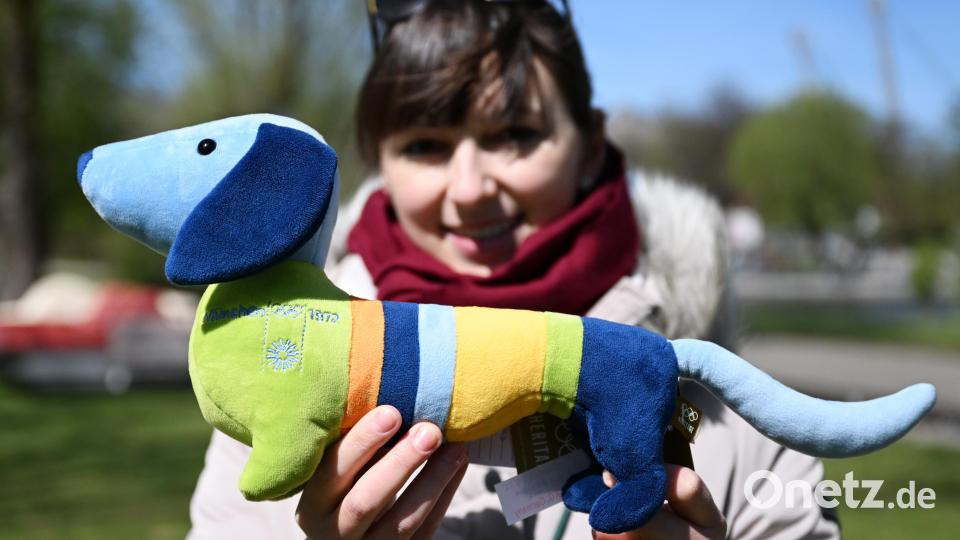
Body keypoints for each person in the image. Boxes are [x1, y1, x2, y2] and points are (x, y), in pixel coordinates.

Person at [188, 1, 841, 538]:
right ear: (378, 159)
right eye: (425, 145)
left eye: (514, 135)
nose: (470, 188)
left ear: (590, 143)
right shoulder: (279, 372)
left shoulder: (725, 409)